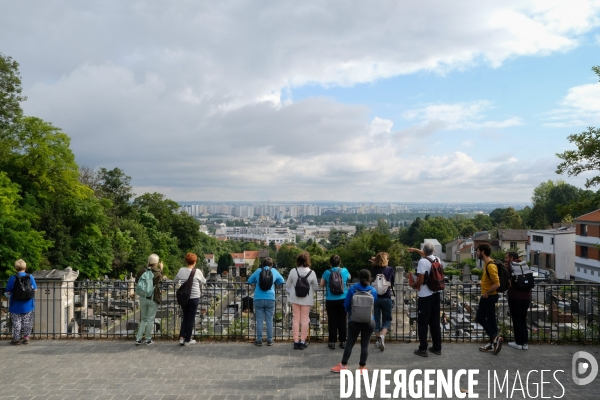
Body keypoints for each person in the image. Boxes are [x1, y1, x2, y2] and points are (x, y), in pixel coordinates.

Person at [331, 269, 378, 374]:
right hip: (369, 321)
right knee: (365, 345)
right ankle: (361, 368)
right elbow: (375, 305)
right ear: (370, 278)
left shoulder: (353, 289)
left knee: (350, 343)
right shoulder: (373, 291)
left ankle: (343, 365)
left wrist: (351, 313)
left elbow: (346, 305)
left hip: (354, 320)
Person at [408, 244, 442, 357]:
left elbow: (421, 280)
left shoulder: (422, 262)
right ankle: (437, 347)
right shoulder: (437, 259)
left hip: (425, 295)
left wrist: (414, 284)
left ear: (424, 251)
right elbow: (427, 255)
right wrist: (416, 250)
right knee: (435, 322)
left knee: (423, 323)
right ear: (434, 250)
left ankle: (423, 349)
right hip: (436, 293)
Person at [248, 257, 285, 346]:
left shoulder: (258, 271)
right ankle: (270, 340)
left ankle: (259, 340)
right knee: (269, 320)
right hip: (270, 298)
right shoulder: (274, 271)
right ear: (272, 265)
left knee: (259, 320)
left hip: (258, 298)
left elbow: (249, 280)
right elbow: (282, 280)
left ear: (262, 264)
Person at [286, 252, 319, 350]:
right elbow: (316, 287)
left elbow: (287, 285)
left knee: (296, 319)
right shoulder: (312, 273)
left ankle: (295, 341)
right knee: (305, 320)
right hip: (306, 299)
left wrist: (292, 292)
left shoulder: (293, 271)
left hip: (295, 299)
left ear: (298, 261)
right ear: (307, 261)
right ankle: (302, 341)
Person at [174, 253, 206, 346]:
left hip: (184, 297)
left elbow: (175, 280)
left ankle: (181, 337)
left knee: (185, 317)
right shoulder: (198, 271)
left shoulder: (181, 270)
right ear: (195, 262)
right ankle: (188, 339)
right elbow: (204, 281)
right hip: (195, 297)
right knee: (191, 318)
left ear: (186, 261)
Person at [476, 243, 503, 355]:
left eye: (477, 251)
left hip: (489, 297)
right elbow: (490, 281)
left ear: (482, 252)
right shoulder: (486, 264)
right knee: (490, 320)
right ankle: (493, 343)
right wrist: (482, 284)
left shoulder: (490, 265)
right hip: (487, 295)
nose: (476, 253)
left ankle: (494, 337)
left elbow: (497, 284)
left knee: (480, 318)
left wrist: (487, 292)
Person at [320, 254, 351, 350]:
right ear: (339, 262)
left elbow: (321, 284)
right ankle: (343, 341)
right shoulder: (344, 271)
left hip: (330, 299)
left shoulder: (326, 272)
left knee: (332, 320)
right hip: (343, 298)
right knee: (342, 320)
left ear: (330, 263)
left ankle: (332, 342)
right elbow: (349, 277)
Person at [4, 259, 37, 345]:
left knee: (16, 322)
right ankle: (26, 337)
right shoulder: (30, 277)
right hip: (28, 303)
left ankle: (16, 339)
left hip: (15, 304)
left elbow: (8, 291)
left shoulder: (13, 278)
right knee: (27, 321)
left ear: (16, 268)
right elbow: (35, 289)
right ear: (25, 267)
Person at [135, 254, 166, 345]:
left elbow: (137, 281)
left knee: (143, 319)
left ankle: (138, 338)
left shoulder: (142, 271)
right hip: (152, 298)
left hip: (143, 297)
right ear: (156, 263)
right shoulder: (157, 272)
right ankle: (148, 339)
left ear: (148, 262)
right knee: (150, 319)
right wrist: (161, 269)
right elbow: (159, 279)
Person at [505, 251, 531, 350]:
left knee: (516, 319)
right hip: (526, 297)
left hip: (515, 297)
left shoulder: (510, 267)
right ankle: (525, 343)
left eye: (507, 258)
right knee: (523, 320)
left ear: (511, 258)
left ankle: (518, 342)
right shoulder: (524, 265)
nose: (506, 260)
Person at [370, 252, 394, 352]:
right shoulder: (390, 269)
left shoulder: (373, 270)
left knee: (376, 318)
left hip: (375, 297)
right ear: (386, 259)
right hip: (386, 297)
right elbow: (392, 282)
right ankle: (382, 336)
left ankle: (377, 340)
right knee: (387, 319)